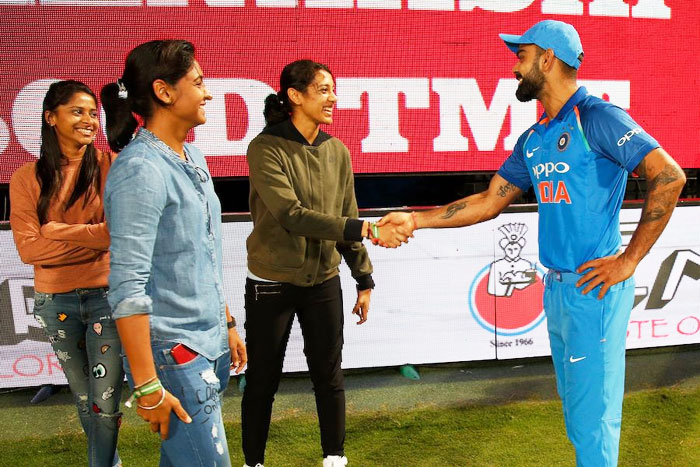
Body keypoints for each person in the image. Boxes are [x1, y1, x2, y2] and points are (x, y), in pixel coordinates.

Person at [378, 20, 686, 467]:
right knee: (578, 413)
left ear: (547, 58)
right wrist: (415, 220)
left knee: (592, 419)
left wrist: (629, 260)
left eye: (520, 57)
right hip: (557, 290)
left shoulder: (597, 117)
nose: (514, 68)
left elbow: (669, 176)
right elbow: (487, 202)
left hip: (593, 290)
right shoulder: (534, 138)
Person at [241, 59, 405, 467]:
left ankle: (335, 458)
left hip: (323, 283)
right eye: (324, 89)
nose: (334, 98)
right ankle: (253, 462)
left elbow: (344, 213)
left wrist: (363, 278)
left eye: (334, 89)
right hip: (271, 283)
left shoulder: (338, 151)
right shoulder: (265, 147)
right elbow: (292, 216)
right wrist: (365, 230)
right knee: (262, 381)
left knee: (329, 377)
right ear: (295, 96)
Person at [101, 40, 247, 466]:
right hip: (175, 353)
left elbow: (201, 252)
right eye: (199, 82)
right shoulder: (140, 169)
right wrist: (146, 385)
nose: (209, 93)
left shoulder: (194, 155)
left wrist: (227, 322)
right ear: (164, 91)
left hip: (210, 343)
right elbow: (127, 287)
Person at [9, 79, 123, 467]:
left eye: (93, 112)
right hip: (55, 302)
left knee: (105, 404)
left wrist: (55, 230)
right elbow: (28, 250)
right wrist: (93, 239)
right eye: (78, 111)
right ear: (50, 117)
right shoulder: (26, 178)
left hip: (107, 297)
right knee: (84, 399)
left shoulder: (110, 165)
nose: (89, 120)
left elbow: (117, 235)